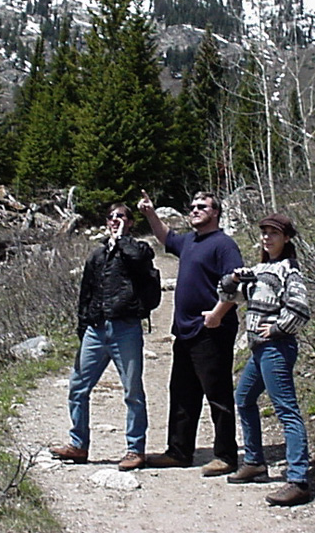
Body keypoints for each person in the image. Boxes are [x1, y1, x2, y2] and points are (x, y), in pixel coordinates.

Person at [137, 189, 244, 476]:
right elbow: (166, 237)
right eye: (193, 206)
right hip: (185, 332)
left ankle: (226, 455)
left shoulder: (224, 245)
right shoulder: (189, 241)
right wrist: (150, 213)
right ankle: (179, 451)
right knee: (182, 393)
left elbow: (238, 285)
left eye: (202, 206)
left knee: (217, 393)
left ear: (215, 212)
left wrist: (217, 314)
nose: (195, 210)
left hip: (212, 331)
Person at [50, 203, 156, 471]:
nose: (114, 220)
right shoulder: (97, 255)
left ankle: (135, 449)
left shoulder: (137, 249)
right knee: (78, 386)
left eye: (121, 216)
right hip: (96, 330)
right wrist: (82, 326)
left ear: (130, 223)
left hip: (126, 328)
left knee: (132, 391)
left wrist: (121, 239)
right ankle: (78, 444)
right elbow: (86, 293)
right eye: (111, 217)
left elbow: (139, 261)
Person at [218, 213, 311, 507]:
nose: (267, 237)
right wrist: (232, 279)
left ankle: (298, 479)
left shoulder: (289, 270)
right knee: (243, 399)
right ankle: (256, 462)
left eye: (274, 233)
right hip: (260, 351)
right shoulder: (259, 269)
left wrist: (277, 328)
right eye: (264, 232)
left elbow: (300, 309)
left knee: (286, 410)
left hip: (276, 348)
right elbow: (227, 295)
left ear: (286, 238)